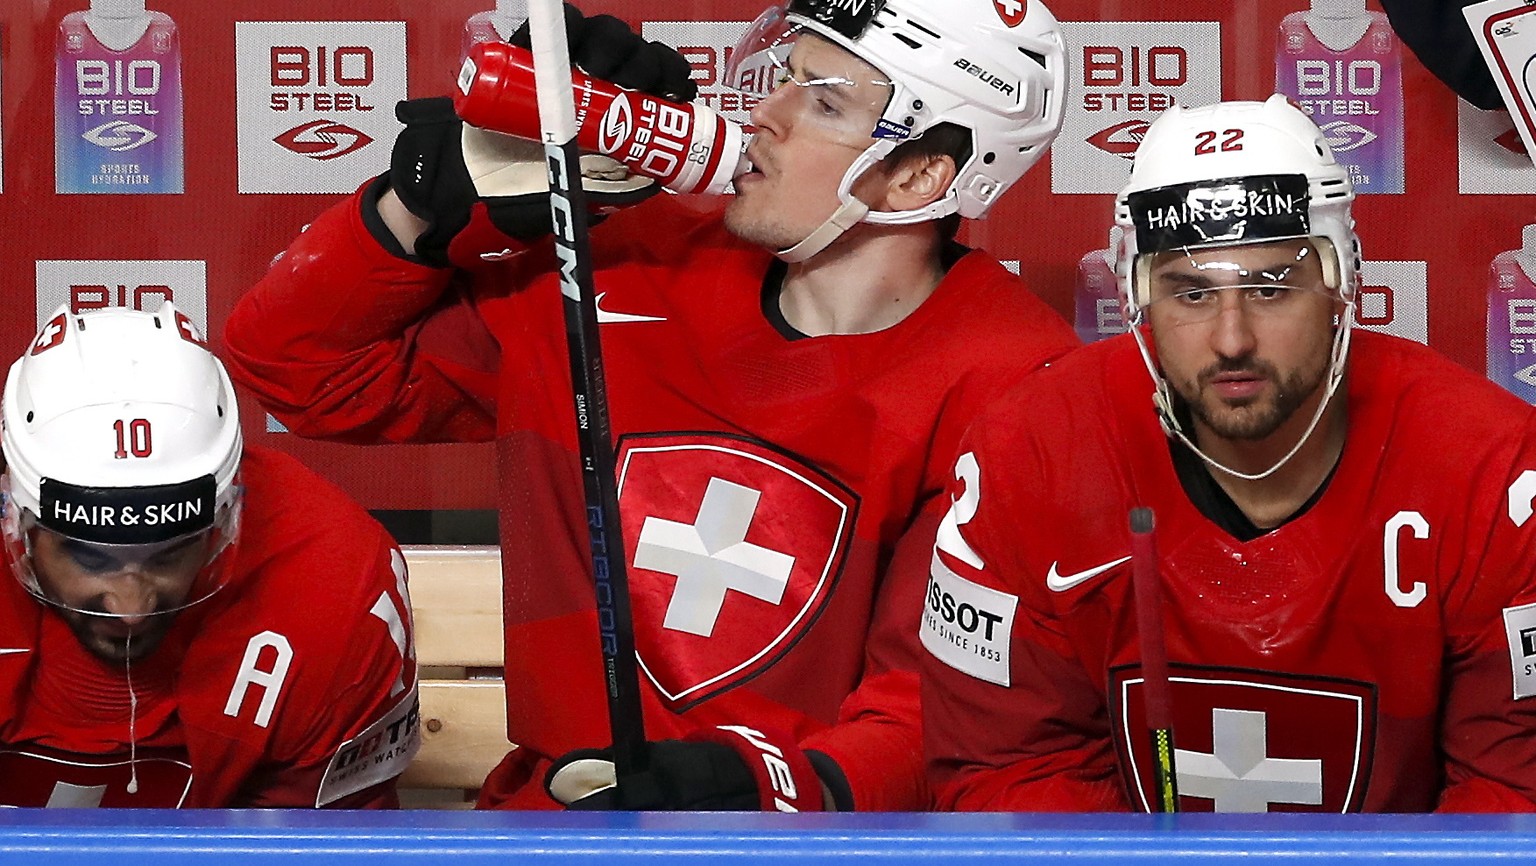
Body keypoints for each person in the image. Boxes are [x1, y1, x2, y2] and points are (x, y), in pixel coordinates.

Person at [223, 0, 1077, 812]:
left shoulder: (1018, 383)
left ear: (920, 173)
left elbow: (939, 706)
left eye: (822, 101)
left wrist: (755, 788)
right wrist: (419, 202)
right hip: (555, 817)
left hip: (803, 839)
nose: (766, 115)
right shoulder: (619, 261)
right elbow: (300, 370)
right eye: (782, 73)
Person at [920, 94, 1536, 813]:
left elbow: (1515, 794)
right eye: (1191, 293)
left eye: (1271, 288)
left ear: (1343, 282)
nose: (1232, 338)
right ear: (1136, 295)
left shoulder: (1495, 469)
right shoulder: (1028, 451)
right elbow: (1006, 774)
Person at [0, 303, 418, 808]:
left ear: (222, 520)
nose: (130, 605)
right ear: (18, 525)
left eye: (169, 553)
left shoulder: (331, 582)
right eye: (91, 558)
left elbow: (324, 849)